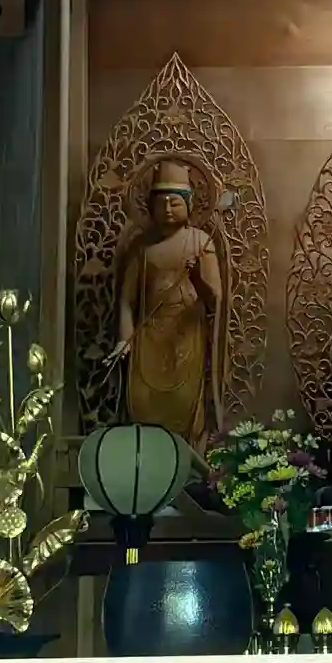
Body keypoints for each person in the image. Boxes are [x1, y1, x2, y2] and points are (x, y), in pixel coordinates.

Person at [103, 159, 223, 451]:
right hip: (148, 336)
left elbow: (215, 300)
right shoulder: (142, 248)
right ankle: (144, 461)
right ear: (150, 207)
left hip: (186, 337)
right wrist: (124, 339)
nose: (168, 209)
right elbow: (126, 300)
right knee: (142, 402)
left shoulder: (200, 243)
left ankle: (187, 462)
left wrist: (197, 277)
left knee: (183, 404)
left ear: (189, 205)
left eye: (175, 202)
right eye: (161, 203)